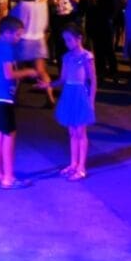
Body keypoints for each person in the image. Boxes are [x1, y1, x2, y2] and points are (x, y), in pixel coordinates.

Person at [0, 16, 42, 189]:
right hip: (2, 97)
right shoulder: (6, 48)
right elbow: (9, 74)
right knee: (9, 135)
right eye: (17, 34)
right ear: (7, 33)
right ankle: (8, 178)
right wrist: (29, 72)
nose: (19, 38)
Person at [43, 24, 97, 180]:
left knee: (80, 132)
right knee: (72, 132)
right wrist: (48, 84)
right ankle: (73, 163)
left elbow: (93, 80)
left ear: (79, 38)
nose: (67, 43)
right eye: (65, 40)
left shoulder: (87, 56)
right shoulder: (66, 57)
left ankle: (81, 167)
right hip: (68, 94)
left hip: (80, 94)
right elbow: (62, 79)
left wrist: (91, 101)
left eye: (69, 40)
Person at [11, 0, 54, 106]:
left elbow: (15, 19)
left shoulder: (23, 4)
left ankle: (14, 97)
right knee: (42, 71)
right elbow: (45, 23)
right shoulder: (43, 4)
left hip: (24, 41)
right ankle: (50, 97)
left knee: (18, 70)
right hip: (39, 40)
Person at [83, 0, 118, 83]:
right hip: (96, 19)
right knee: (98, 48)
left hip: (107, 20)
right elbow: (88, 5)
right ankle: (101, 71)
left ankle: (113, 71)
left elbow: (113, 5)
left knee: (108, 48)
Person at [47, 0, 82, 67]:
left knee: (71, 44)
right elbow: (47, 1)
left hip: (70, 18)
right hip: (58, 17)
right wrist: (53, 1)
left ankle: (72, 68)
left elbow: (77, 0)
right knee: (59, 44)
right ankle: (61, 69)